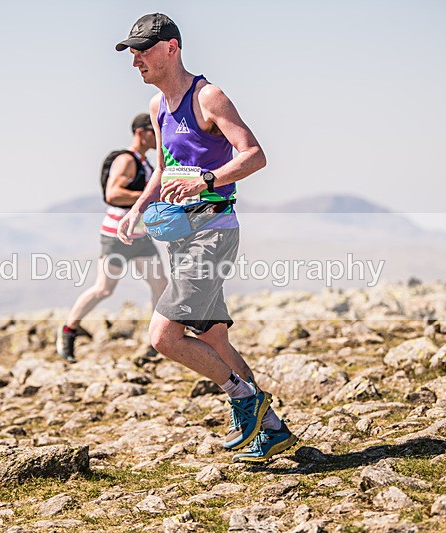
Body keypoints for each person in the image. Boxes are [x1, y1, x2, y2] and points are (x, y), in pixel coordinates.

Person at [115, 14, 298, 463]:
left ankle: (244, 400)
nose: (136, 59)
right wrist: (137, 208)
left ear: (171, 48)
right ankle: (271, 430)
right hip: (179, 235)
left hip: (213, 231)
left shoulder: (207, 96)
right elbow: (162, 168)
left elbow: (255, 155)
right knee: (215, 340)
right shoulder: (158, 106)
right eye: (132, 52)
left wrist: (207, 180)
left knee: (164, 337)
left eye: (143, 50)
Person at [56, 114, 167, 363]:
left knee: (160, 284)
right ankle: (68, 330)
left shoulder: (143, 162)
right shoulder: (126, 160)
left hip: (139, 235)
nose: (158, 135)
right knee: (104, 289)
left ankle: (157, 340)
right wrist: (148, 197)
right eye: (153, 130)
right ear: (141, 132)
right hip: (117, 235)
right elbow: (113, 193)